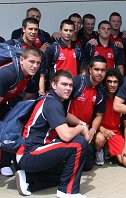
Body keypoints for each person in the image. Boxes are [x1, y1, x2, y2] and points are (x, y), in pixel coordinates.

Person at [15, 70, 90, 197]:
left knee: (64, 172)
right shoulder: (52, 103)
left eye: (70, 85)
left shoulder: (53, 99)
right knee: (79, 143)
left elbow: (67, 116)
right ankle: (66, 191)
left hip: (33, 152)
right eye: (64, 84)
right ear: (54, 85)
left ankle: (28, 177)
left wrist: (82, 123)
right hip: (30, 154)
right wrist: (81, 128)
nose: (68, 88)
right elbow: (66, 136)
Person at [0, 46, 42, 177]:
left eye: (38, 63)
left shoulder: (31, 76)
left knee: (12, 127)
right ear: (22, 60)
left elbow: (25, 102)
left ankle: (5, 163)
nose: (35, 66)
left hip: (4, 103)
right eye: (32, 62)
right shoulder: (7, 74)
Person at [68, 56, 107, 169]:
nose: (99, 73)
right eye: (96, 69)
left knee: (87, 166)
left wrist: (92, 131)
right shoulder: (77, 82)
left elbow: (99, 115)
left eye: (103, 70)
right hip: (68, 127)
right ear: (90, 69)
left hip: (85, 130)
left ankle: (97, 150)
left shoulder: (101, 90)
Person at [94, 68, 126, 167]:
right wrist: (102, 129)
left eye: (115, 82)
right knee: (100, 139)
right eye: (109, 81)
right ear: (105, 82)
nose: (112, 85)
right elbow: (91, 119)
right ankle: (99, 150)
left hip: (115, 133)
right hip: (100, 131)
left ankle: (109, 151)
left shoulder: (122, 99)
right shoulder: (99, 96)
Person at [40, 19, 85, 94]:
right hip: (56, 89)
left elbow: (82, 72)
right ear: (60, 31)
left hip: (72, 89)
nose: (68, 33)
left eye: (70, 30)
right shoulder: (53, 48)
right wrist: (42, 90)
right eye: (65, 30)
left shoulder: (78, 50)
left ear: (74, 32)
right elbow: (43, 72)